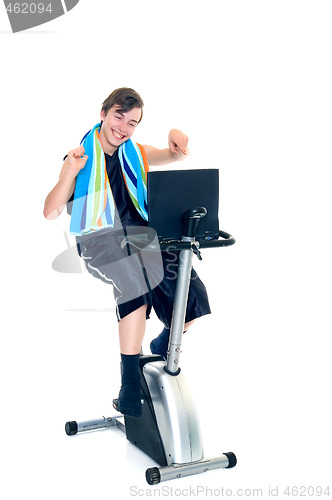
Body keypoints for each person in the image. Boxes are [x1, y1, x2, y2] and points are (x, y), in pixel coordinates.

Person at [43, 88, 210, 417]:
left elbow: (174, 155)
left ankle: (163, 343)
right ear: (103, 113)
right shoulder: (79, 158)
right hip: (100, 241)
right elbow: (50, 211)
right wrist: (70, 172)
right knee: (134, 286)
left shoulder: (136, 152)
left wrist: (177, 140)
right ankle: (130, 382)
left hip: (146, 237)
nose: (123, 126)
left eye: (132, 122)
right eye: (118, 116)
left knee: (192, 297)